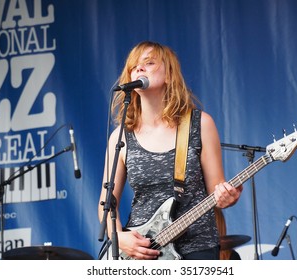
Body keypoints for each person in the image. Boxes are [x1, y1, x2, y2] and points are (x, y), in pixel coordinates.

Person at [98, 41, 243, 260]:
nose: (139, 68)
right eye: (133, 66)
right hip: (144, 252)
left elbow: (218, 192)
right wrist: (119, 236)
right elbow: (107, 203)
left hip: (197, 248)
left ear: (169, 75)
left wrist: (228, 197)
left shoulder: (200, 124)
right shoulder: (121, 137)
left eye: (149, 62)